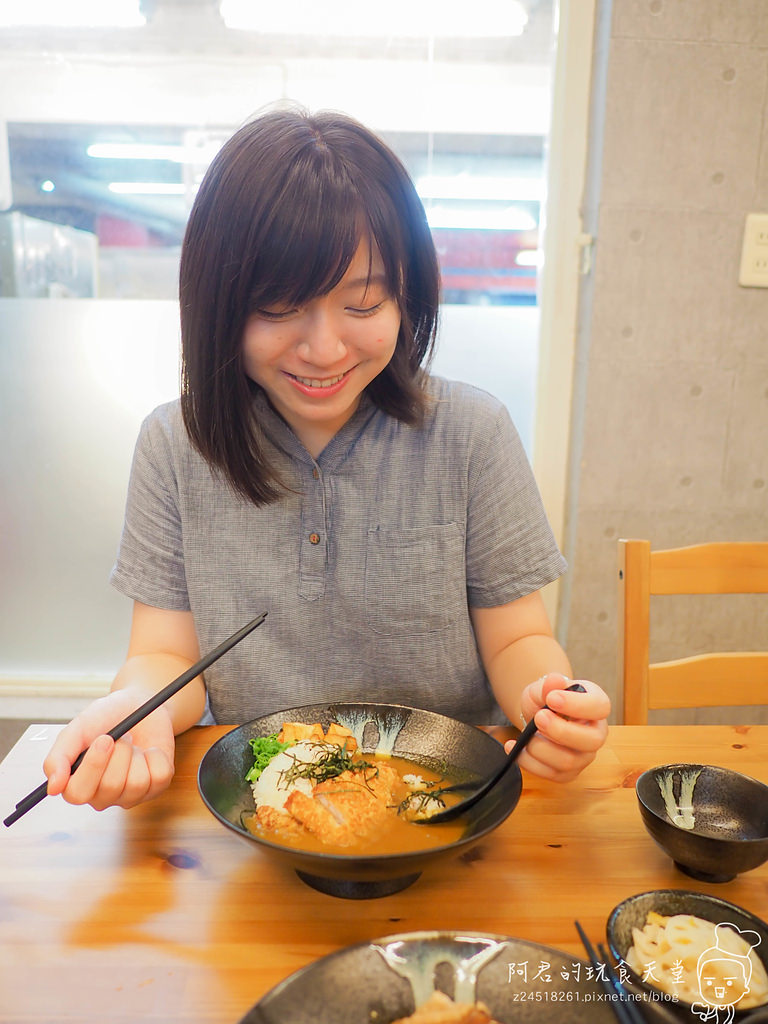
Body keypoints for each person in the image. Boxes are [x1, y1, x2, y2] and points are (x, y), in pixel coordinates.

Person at [43, 105, 610, 812]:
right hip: (261, 804)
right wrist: (140, 708)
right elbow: (165, 656)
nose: (324, 349)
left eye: (364, 303)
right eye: (280, 308)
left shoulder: (472, 432)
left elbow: (518, 636)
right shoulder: (175, 445)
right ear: (218, 305)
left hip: (447, 804)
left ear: (407, 297)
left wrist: (548, 702)